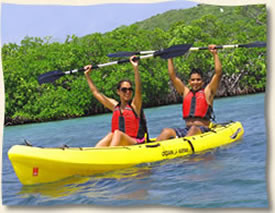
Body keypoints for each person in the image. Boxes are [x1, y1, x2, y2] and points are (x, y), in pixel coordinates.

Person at [156, 44, 222, 141]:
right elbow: (172, 77)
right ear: (189, 82)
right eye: (193, 80)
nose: (195, 82)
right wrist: (169, 57)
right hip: (187, 130)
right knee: (166, 131)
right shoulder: (186, 92)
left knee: (194, 129)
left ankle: (182, 148)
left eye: (198, 80)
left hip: (202, 130)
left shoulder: (208, 92)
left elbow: (218, 73)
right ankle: (152, 150)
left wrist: (215, 54)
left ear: (202, 81)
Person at [84, 56, 147, 147]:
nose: (127, 92)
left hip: (136, 143)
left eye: (130, 89)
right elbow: (96, 93)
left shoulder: (135, 106)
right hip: (120, 142)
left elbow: (138, 89)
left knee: (117, 133)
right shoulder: (115, 106)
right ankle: (95, 153)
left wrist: (135, 68)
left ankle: (110, 154)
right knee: (112, 134)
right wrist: (87, 76)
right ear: (118, 92)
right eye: (124, 90)